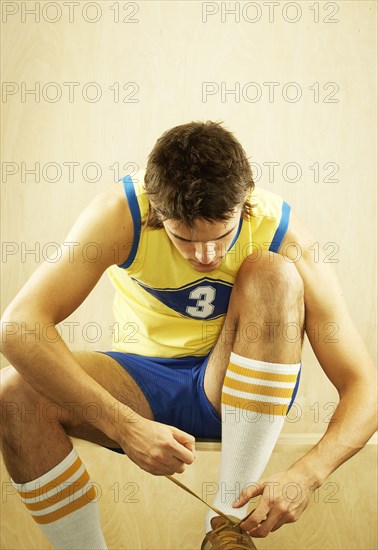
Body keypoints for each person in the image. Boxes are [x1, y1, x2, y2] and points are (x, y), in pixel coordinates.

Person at [0, 120, 376, 550]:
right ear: (157, 212)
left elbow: (365, 387)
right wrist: (125, 427)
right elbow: (17, 327)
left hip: (236, 387)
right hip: (140, 390)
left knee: (273, 273)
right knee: (12, 391)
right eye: (184, 239)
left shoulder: (281, 231)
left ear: (244, 202)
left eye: (221, 236)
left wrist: (308, 476)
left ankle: (227, 525)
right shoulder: (121, 214)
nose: (207, 255)